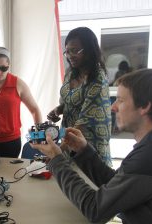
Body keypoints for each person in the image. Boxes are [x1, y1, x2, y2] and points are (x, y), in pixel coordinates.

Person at [31, 68, 152, 224]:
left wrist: (56, 159)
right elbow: (115, 184)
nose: (113, 107)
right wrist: (83, 151)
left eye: (121, 100)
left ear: (145, 106)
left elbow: (95, 209)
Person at [47, 27, 112, 166]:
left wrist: (57, 152)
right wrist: (58, 110)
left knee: (87, 184)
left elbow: (84, 121)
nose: (70, 56)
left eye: (75, 50)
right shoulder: (71, 73)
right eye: (68, 51)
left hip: (88, 145)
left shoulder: (97, 78)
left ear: (89, 50)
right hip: (69, 140)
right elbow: (70, 101)